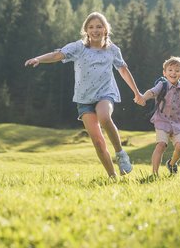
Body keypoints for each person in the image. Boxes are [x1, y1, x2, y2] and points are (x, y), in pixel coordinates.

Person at [25, 12, 142, 178]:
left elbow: (123, 70)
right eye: (91, 27)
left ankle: (121, 154)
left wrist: (136, 93)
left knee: (104, 116)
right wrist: (39, 59)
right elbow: (57, 55)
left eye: (99, 26)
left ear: (106, 30)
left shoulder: (113, 50)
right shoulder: (78, 48)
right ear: (86, 30)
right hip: (84, 99)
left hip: (104, 93)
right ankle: (112, 176)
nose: (95, 30)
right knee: (98, 142)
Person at [135, 56, 180, 176]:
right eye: (170, 70)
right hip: (162, 121)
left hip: (178, 123)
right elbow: (151, 92)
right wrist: (143, 98)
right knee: (161, 145)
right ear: (164, 73)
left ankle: (171, 163)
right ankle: (154, 174)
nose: (173, 73)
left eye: (177, 71)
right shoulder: (162, 85)